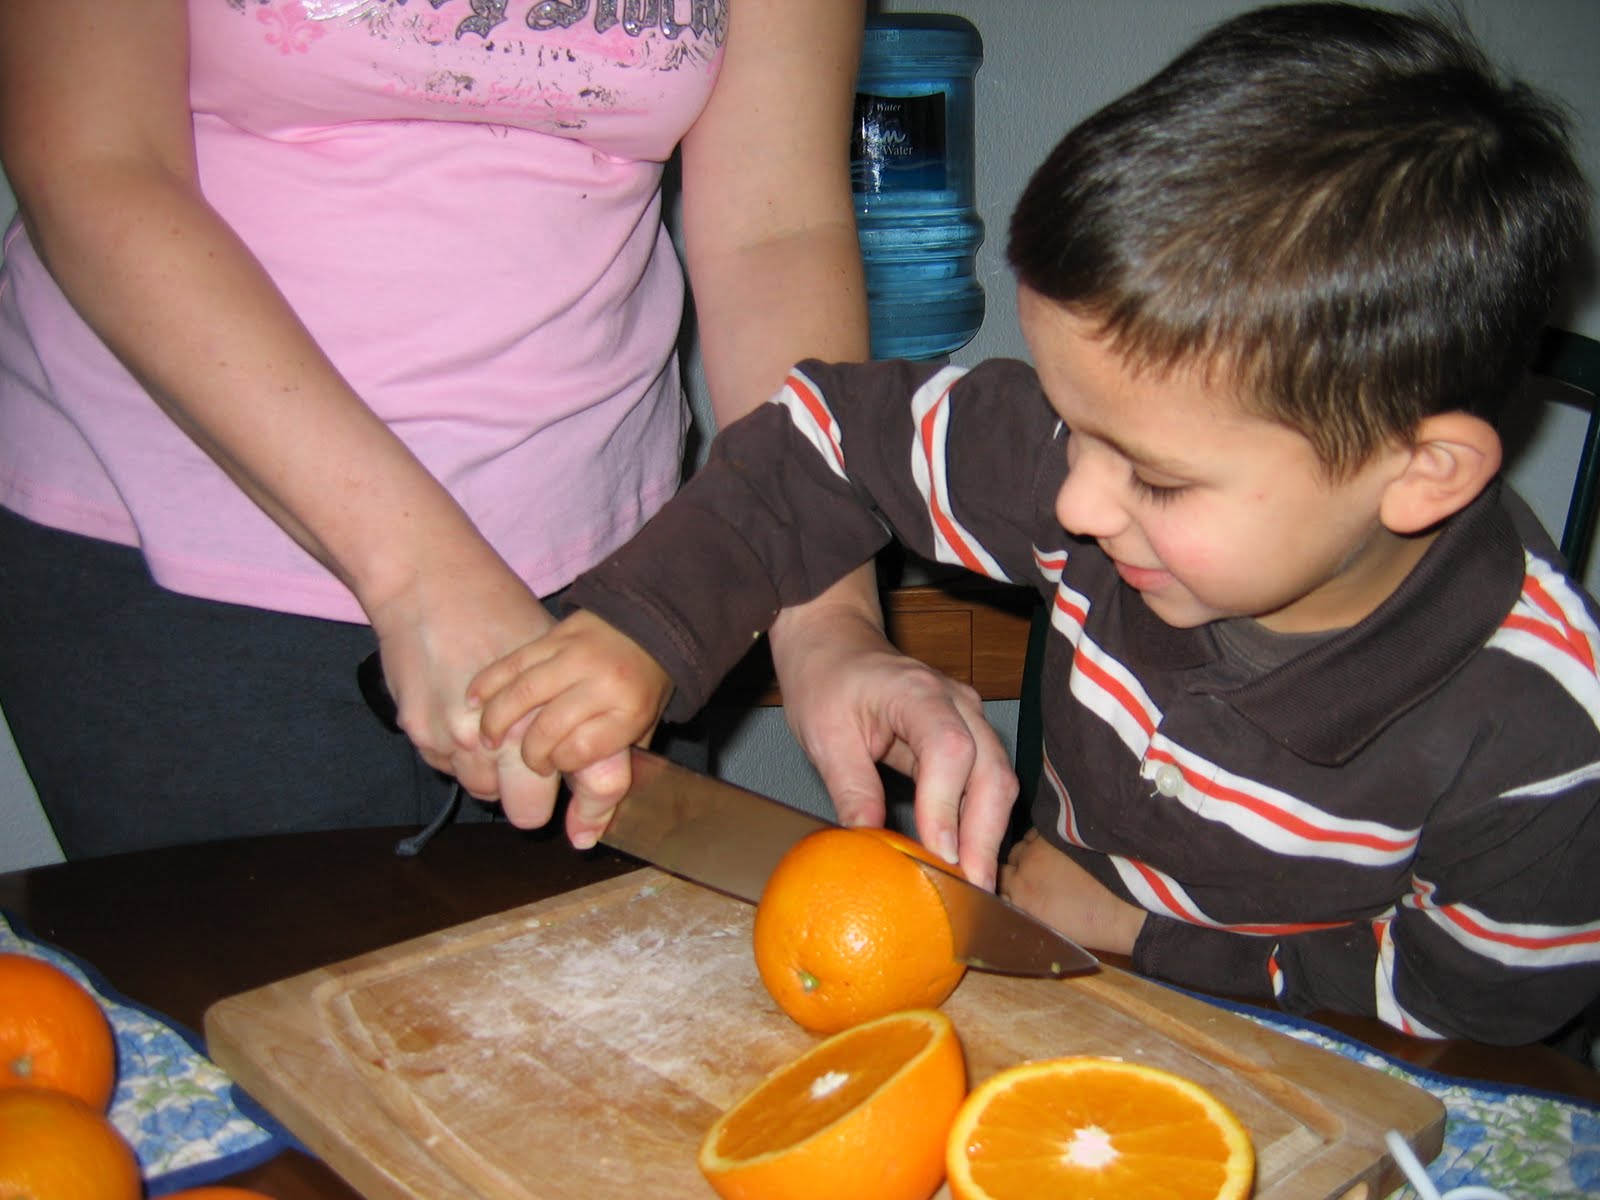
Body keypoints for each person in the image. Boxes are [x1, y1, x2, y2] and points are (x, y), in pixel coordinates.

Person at [466, 1, 1600, 1045]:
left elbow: (1478, 1000)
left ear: (1422, 475)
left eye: (1154, 477)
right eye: (1069, 421)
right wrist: (643, 630)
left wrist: (1140, 938)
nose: (1073, 501)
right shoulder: (1089, 476)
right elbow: (820, 436)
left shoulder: (1541, 732)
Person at [0, 0, 1014, 859]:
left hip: (625, 590)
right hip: (180, 552)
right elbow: (94, 162)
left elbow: (774, 228)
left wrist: (824, 617)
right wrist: (418, 572)